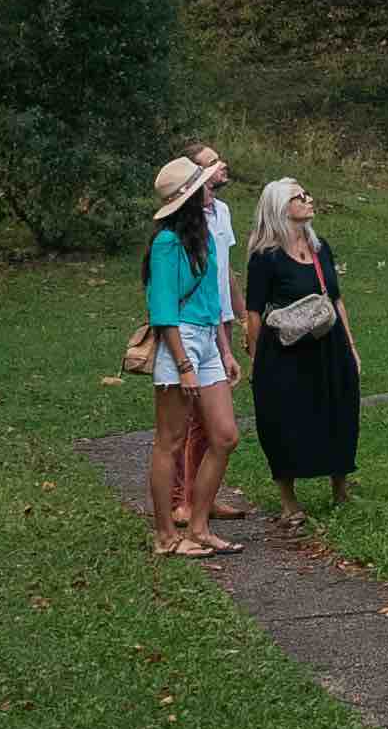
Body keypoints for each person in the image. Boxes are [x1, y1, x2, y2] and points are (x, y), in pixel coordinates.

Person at [241, 176, 363, 533]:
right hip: (285, 350)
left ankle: (340, 488)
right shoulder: (265, 257)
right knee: (284, 419)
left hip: (329, 344)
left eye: (307, 194)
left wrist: (351, 347)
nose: (309, 199)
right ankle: (288, 500)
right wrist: (255, 357)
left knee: (340, 409)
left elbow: (336, 299)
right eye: (300, 197)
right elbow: (253, 311)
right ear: (282, 208)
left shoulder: (320, 246)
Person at [142, 152, 240, 560]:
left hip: (207, 339)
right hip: (178, 340)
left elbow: (214, 300)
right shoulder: (167, 244)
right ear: (188, 196)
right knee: (171, 439)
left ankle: (198, 526)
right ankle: (166, 534)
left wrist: (225, 350)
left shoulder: (206, 234)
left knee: (224, 435)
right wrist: (184, 365)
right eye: (203, 184)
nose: (211, 186)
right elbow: (163, 310)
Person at [183, 140, 259, 524]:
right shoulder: (184, 217)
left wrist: (243, 316)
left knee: (215, 417)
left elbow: (225, 269)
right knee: (197, 417)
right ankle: (185, 499)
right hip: (194, 321)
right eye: (212, 162)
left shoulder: (223, 211)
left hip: (221, 318)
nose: (222, 165)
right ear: (194, 173)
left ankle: (205, 497)